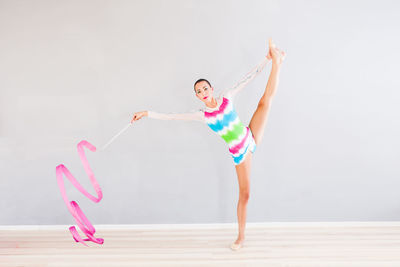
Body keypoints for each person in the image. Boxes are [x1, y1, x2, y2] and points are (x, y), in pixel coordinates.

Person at [131, 38, 285, 251]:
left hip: (250, 136)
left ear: (211, 88)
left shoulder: (227, 97)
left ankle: (278, 61)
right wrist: (146, 113)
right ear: (198, 96)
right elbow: (171, 117)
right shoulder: (202, 115)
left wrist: (266, 60)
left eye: (205, 88)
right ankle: (240, 238)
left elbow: (249, 77)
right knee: (245, 194)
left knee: (265, 102)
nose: (203, 92)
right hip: (240, 153)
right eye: (199, 91)